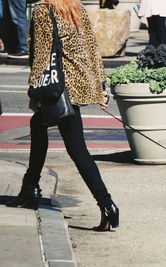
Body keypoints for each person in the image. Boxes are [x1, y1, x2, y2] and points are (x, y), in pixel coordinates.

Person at [6, 0, 119, 231]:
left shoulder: (42, 9)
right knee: (38, 127)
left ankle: (107, 204)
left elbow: (42, 55)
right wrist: (101, 85)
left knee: (77, 149)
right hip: (77, 84)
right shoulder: (75, 6)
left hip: (59, 88)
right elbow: (92, 48)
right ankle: (30, 187)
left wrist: (34, 91)